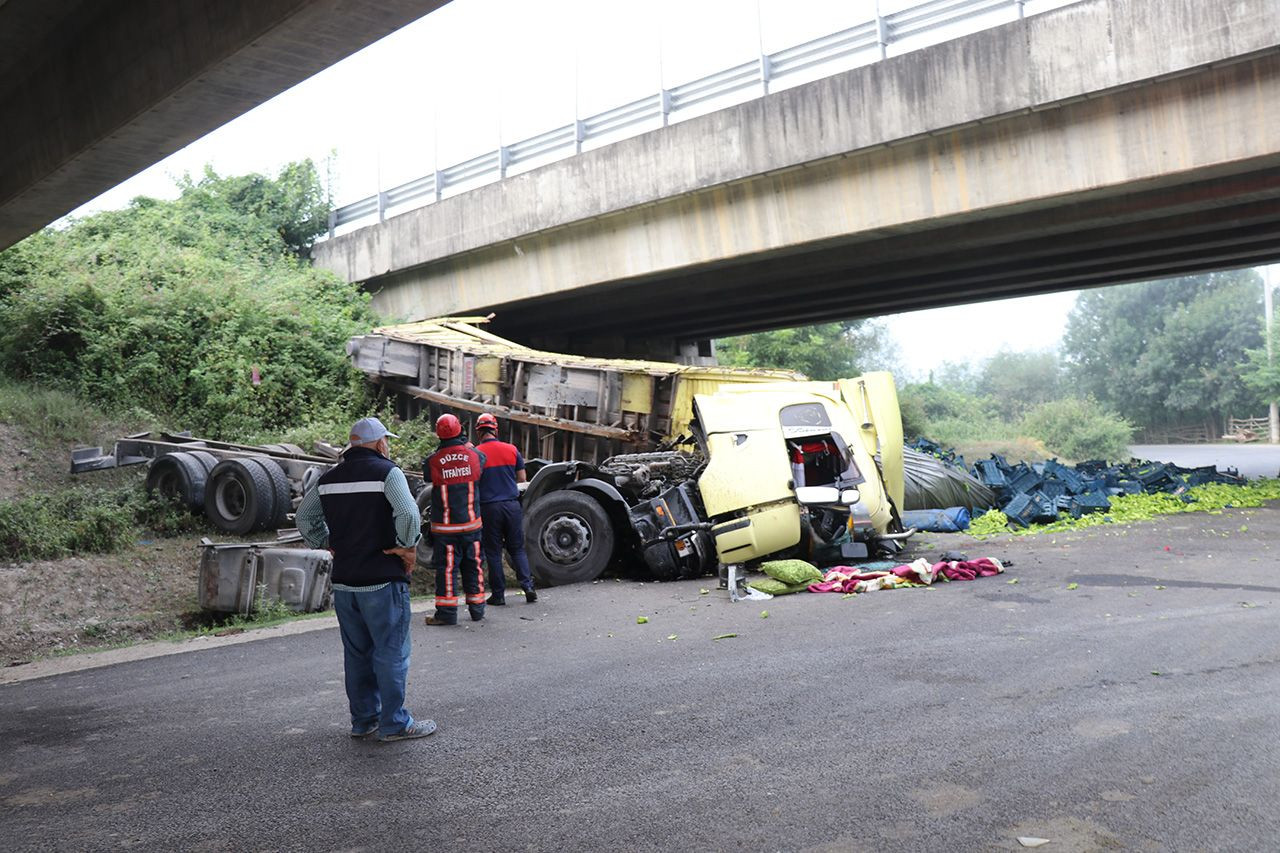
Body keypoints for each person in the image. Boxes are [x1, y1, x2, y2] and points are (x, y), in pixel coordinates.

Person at [295, 416, 436, 743]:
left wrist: (325, 542)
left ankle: (363, 720)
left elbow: (305, 517)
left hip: (345, 583)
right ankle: (395, 724)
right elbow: (408, 513)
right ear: (379, 443)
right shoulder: (387, 472)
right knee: (390, 651)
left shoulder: (329, 478)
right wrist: (407, 546)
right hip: (382, 579)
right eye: (386, 441)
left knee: (357, 654)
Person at [423, 412, 487, 626]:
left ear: (438, 434)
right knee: (474, 566)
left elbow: (427, 474)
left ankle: (447, 614)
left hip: (446, 529)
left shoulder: (433, 461)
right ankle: (477, 610)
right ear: (460, 429)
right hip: (472, 526)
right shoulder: (475, 456)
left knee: (447, 570)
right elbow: (482, 462)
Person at [474, 412, 537, 605]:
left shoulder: (475, 454)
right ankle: (528, 587)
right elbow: (522, 479)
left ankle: (499, 595)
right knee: (517, 548)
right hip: (511, 506)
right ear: (495, 430)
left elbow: (473, 482)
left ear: (479, 432)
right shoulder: (511, 449)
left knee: (493, 552)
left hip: (489, 508)